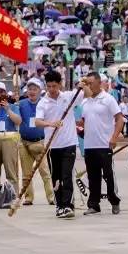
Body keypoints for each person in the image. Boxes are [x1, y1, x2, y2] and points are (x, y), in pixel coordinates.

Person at [33, 70, 80, 218]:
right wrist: (51, 124)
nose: (52, 89)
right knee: (56, 177)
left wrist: (83, 84)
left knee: (67, 175)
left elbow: (87, 93)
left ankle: (68, 205)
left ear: (60, 84)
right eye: (49, 86)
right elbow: (37, 122)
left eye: (55, 86)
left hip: (69, 143)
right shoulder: (43, 102)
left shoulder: (68, 97)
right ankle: (59, 205)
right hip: (53, 146)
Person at [78, 71, 122, 215]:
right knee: (93, 176)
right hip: (89, 145)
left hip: (104, 144)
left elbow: (120, 119)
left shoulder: (108, 99)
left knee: (108, 175)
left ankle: (114, 200)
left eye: (90, 83)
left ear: (98, 82)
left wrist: (114, 137)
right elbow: (83, 121)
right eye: (87, 83)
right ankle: (94, 204)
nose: (88, 86)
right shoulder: (85, 101)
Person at [15, 79, 52, 206]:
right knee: (26, 174)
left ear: (40, 90)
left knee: (45, 172)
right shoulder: (20, 104)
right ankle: (28, 197)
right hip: (24, 142)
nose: (32, 92)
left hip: (40, 142)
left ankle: (51, 197)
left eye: (35, 89)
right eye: (30, 89)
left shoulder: (45, 103)